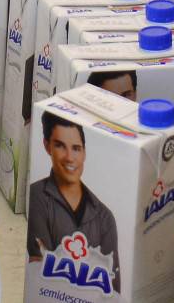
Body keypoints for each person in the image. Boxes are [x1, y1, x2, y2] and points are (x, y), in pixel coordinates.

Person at [28, 112, 120, 267]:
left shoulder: (105, 217)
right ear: (47, 146)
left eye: (76, 148)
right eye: (60, 146)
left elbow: (114, 287)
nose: (70, 157)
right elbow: (39, 270)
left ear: (84, 152)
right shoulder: (36, 197)